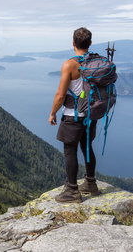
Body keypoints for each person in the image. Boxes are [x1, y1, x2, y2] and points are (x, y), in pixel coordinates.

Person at [49, 27, 100, 203]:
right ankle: (91, 184)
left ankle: (72, 191)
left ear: (73, 43)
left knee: (70, 151)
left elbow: (61, 95)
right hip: (90, 114)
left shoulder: (70, 64)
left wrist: (52, 113)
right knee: (87, 147)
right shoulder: (96, 61)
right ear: (90, 43)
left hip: (73, 115)